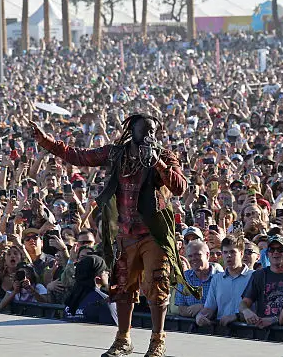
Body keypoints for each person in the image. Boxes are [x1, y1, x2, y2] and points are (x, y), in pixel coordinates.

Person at [31, 110, 196, 357]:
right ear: (133, 132)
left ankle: (157, 340)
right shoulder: (116, 153)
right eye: (145, 130)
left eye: (154, 131)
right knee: (122, 288)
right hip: (126, 232)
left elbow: (180, 187)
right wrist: (46, 141)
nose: (151, 135)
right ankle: (123, 339)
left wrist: (158, 164)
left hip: (154, 233)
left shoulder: (163, 155)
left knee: (157, 285)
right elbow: (79, 156)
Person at [239, 235, 283, 328]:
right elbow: (244, 303)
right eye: (272, 249)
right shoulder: (259, 275)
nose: (275, 252)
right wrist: (246, 311)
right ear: (267, 254)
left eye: (280, 249)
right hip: (262, 332)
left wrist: (274, 320)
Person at [196, 237, 253, 327]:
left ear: (241, 254)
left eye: (232, 252)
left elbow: (257, 309)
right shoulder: (216, 279)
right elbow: (209, 308)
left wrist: (236, 317)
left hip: (249, 331)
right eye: (225, 252)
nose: (228, 255)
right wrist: (200, 316)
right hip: (223, 332)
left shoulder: (254, 276)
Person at [63, 254, 118, 326]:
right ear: (98, 276)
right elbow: (113, 332)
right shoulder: (104, 301)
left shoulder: (71, 299)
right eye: (105, 270)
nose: (108, 273)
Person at [170, 240, 216, 318]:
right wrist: (199, 315)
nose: (193, 259)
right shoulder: (184, 277)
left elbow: (224, 306)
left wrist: (203, 307)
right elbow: (181, 308)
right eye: (190, 256)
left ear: (207, 255)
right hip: (191, 328)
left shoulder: (220, 276)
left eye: (197, 255)